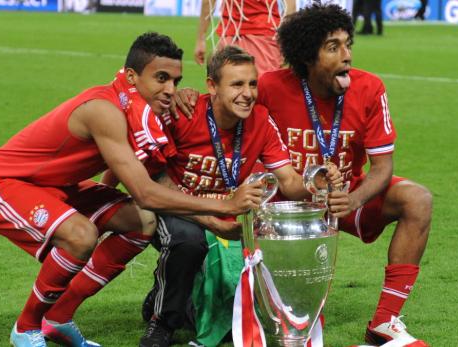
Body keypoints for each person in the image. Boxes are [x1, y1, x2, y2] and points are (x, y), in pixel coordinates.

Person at [0, 32, 263, 347]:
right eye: (161, 78)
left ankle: (58, 317)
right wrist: (225, 207)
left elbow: (120, 168)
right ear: (132, 76)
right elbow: (145, 192)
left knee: (141, 222)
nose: (170, 89)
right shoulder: (103, 109)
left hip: (60, 186)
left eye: (176, 80)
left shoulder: (136, 105)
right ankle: (26, 328)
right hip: (2, 182)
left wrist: (106, 208)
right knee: (81, 235)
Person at [175, 4, 433, 346]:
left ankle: (384, 322)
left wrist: (353, 199)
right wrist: (188, 95)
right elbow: (227, 103)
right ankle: (190, 298)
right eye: (333, 47)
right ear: (308, 56)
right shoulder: (269, 86)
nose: (347, 56)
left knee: (417, 199)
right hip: (283, 203)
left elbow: (384, 167)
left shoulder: (370, 89)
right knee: (298, 319)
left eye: (347, 45)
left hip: (344, 196)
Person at [135, 45, 341, 347]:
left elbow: (289, 181)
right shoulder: (183, 114)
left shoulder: (260, 121)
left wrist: (317, 181)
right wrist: (209, 218)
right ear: (211, 86)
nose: (248, 93)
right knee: (188, 241)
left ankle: (166, 293)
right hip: (178, 209)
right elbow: (154, 175)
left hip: (229, 218)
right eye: (236, 84)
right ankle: (162, 322)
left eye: (252, 83)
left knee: (237, 309)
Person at [194, 0, 295, 76]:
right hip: (264, 37)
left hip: (230, 36)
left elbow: (208, 2)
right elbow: (290, 6)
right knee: (266, 94)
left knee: (225, 93)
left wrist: (201, 38)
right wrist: (286, 40)